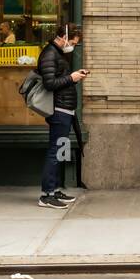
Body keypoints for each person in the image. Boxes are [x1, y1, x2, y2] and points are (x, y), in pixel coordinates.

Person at [36, 23, 87, 209]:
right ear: (63, 37)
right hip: (58, 109)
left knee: (60, 151)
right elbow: (49, 83)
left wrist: (73, 76)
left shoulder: (57, 53)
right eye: (73, 41)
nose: (73, 45)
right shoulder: (50, 53)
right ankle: (46, 194)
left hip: (66, 109)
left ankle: (55, 189)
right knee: (55, 152)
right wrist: (71, 78)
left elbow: (58, 78)